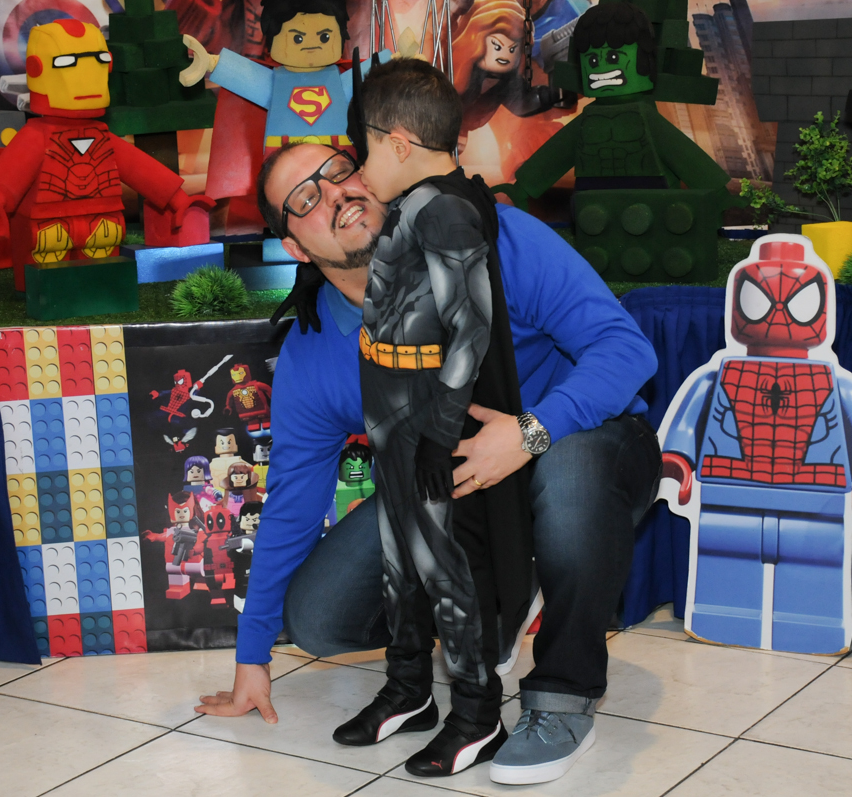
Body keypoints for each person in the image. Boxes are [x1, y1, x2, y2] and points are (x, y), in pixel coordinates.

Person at [195, 141, 661, 785]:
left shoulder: (489, 237)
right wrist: (252, 658)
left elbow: (625, 349)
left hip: (581, 441)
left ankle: (560, 697)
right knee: (319, 617)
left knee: (573, 478)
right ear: (296, 248)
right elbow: (293, 507)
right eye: (305, 199)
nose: (333, 194)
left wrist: (531, 431)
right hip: (453, 488)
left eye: (339, 172)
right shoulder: (314, 350)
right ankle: (503, 590)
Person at [326, 58, 534, 777]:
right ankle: (409, 688)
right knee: (399, 563)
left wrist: (442, 431)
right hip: (392, 409)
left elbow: (471, 326)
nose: (359, 167)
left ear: (400, 143)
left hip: (425, 415)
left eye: (364, 147)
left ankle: (477, 714)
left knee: (447, 568)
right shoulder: (418, 205)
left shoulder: (445, 207)